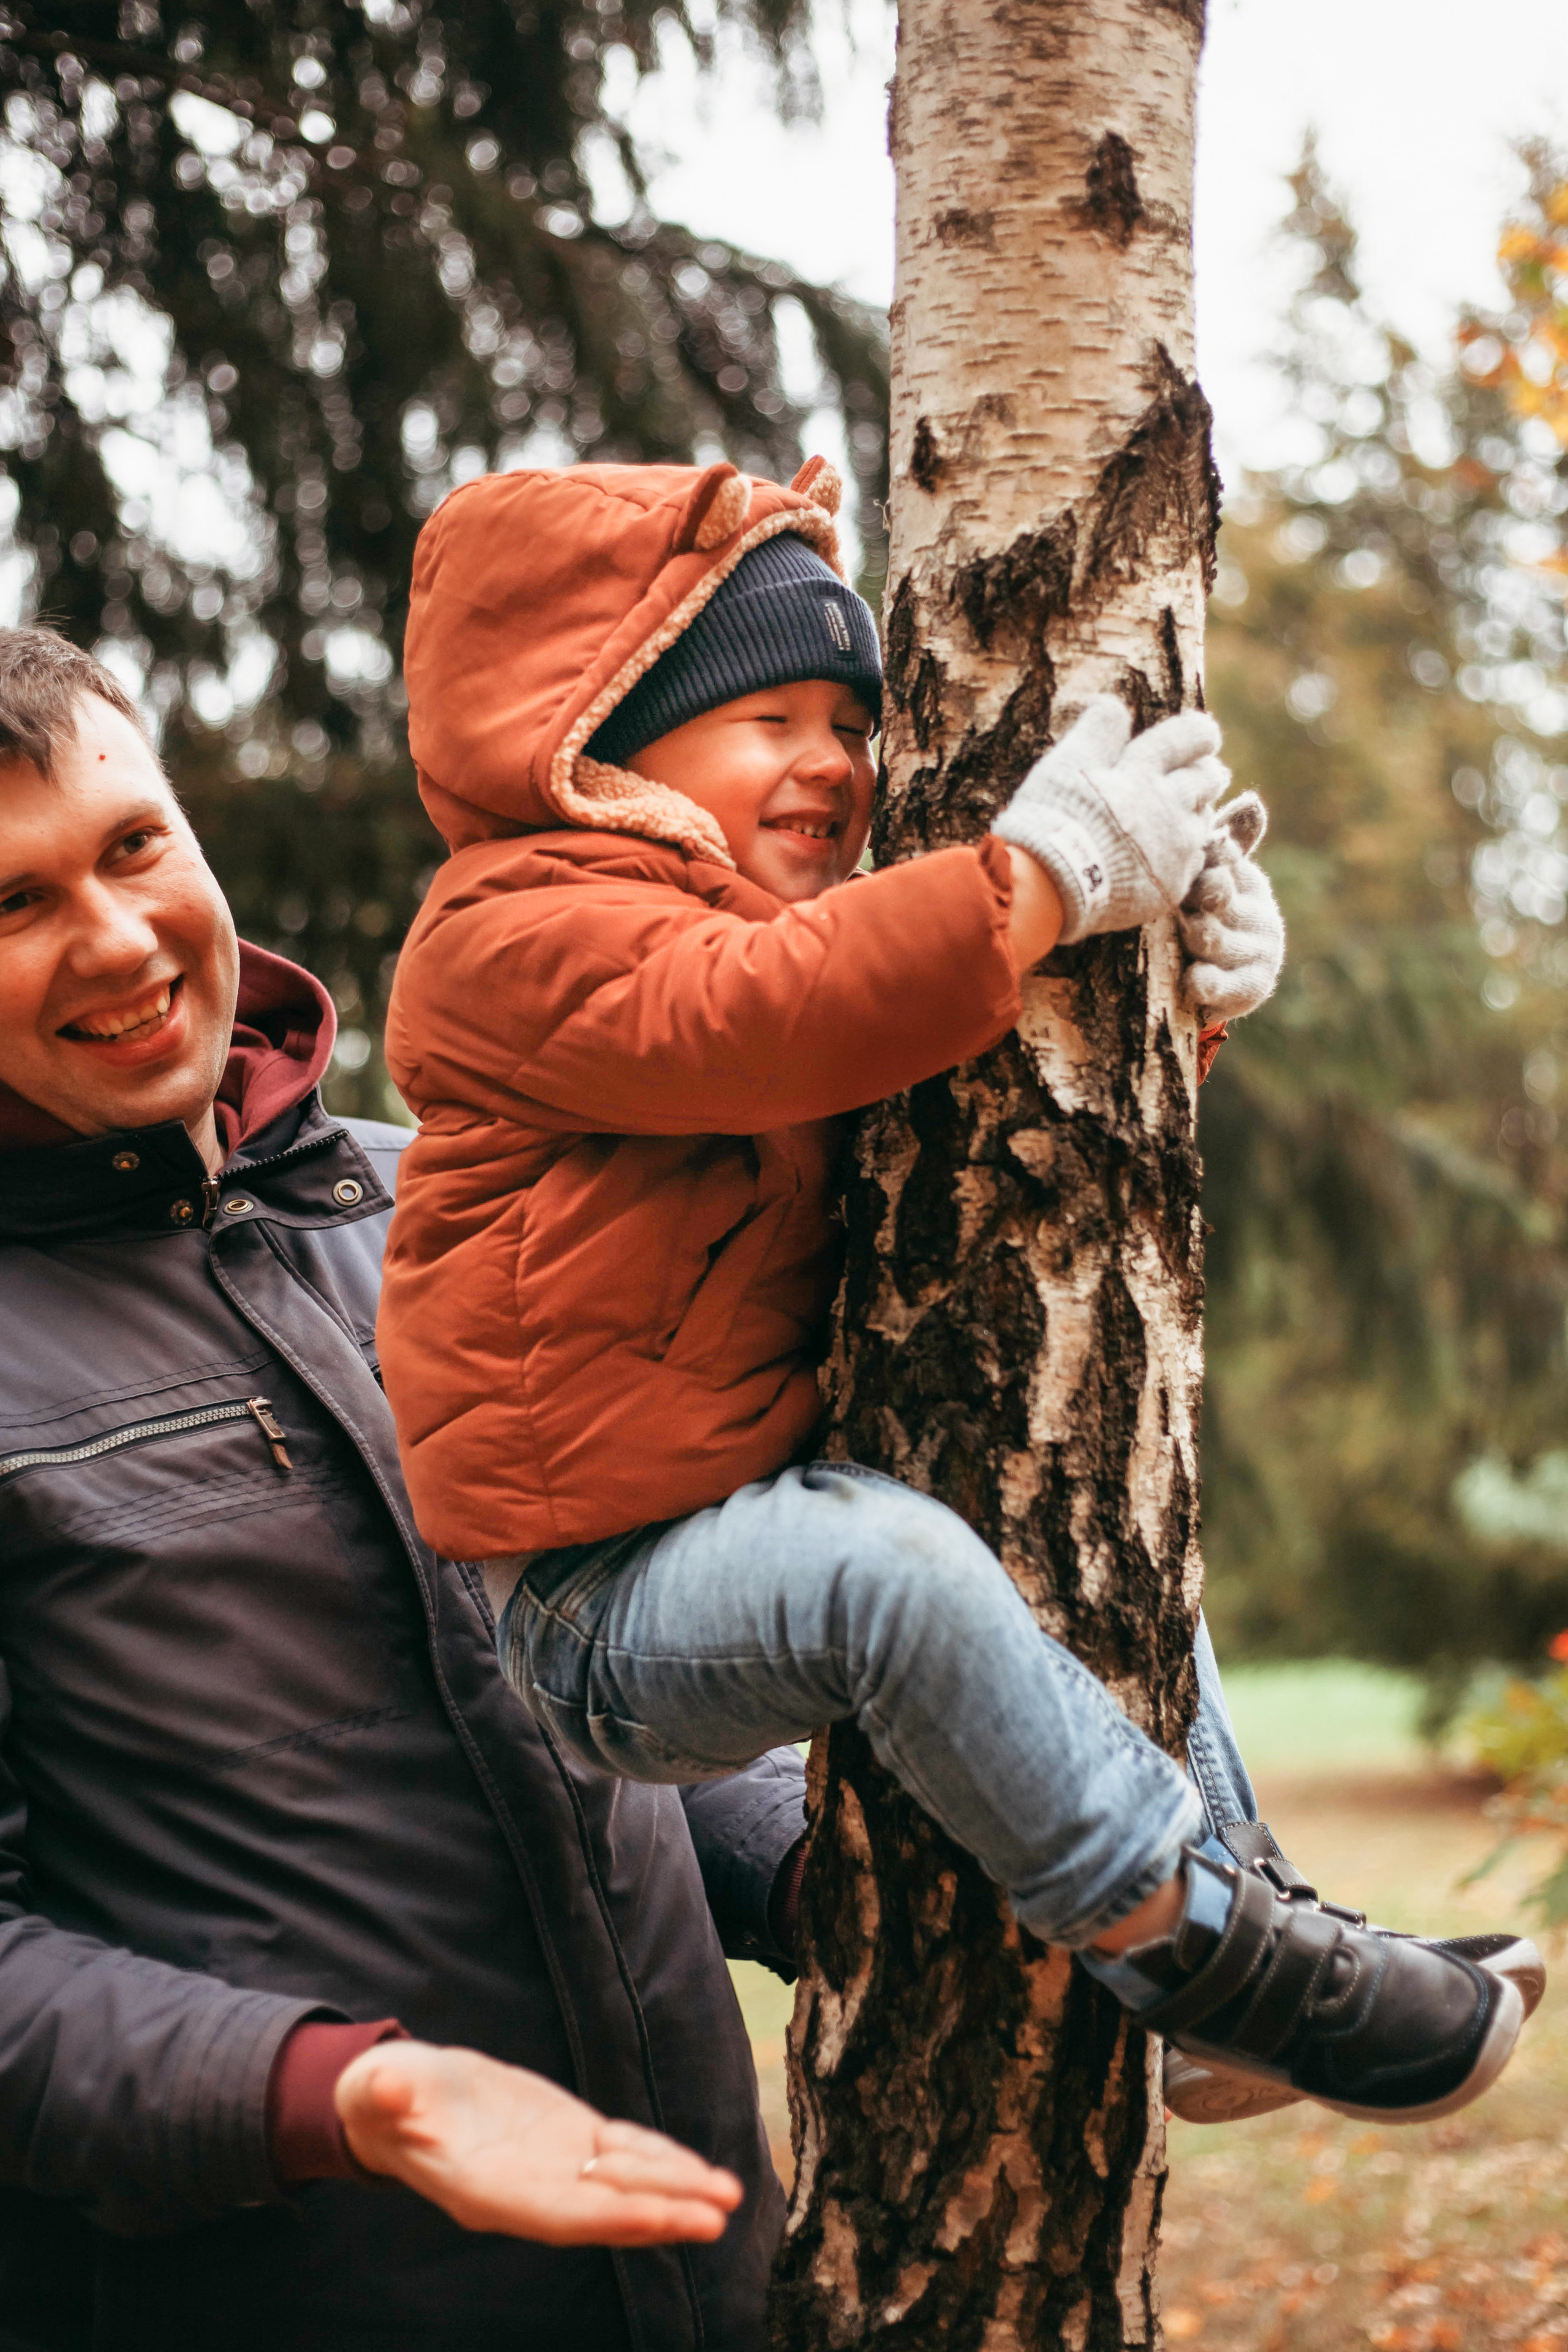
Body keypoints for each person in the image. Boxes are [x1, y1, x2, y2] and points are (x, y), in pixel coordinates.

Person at [379, 454, 1540, 2135]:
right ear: (599, 744)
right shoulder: (510, 938)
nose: (836, 766)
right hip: (593, 1605)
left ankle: (1246, 1925)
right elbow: (772, 1016)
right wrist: (1044, 880)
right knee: (888, 1573)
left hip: (755, 1507)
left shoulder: (769, 942)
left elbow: (937, 1113)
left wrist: (1170, 998)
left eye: (851, 725)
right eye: (769, 717)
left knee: (1094, 1541)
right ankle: (1190, 1950)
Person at [0, 625, 804, 2352]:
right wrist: (362, 2099)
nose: (121, 939)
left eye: (136, 847)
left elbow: (626, 1671)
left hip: (708, 2284)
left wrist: (820, 1865)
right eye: (14, 905)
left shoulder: (442, 1196)